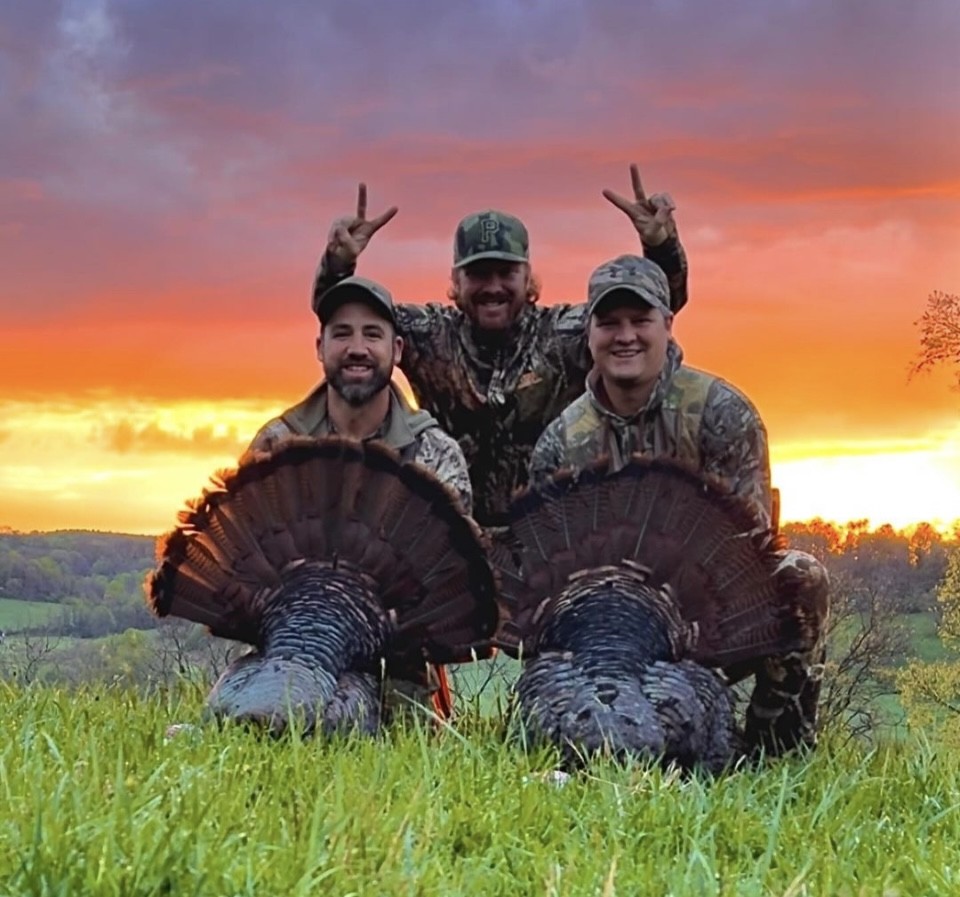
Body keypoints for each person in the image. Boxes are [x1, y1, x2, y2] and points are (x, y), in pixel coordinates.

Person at [528, 254, 831, 757]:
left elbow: (748, 556)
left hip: (705, 620)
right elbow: (549, 580)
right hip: (605, 632)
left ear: (667, 325)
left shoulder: (720, 412)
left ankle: (777, 748)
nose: (625, 335)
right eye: (609, 323)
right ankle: (580, 739)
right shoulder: (561, 441)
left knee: (800, 577)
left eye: (640, 320)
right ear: (589, 333)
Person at [310, 165, 689, 529]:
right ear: (456, 280)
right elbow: (348, 324)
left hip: (553, 538)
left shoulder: (566, 333)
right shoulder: (428, 333)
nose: (493, 286)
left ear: (528, 277)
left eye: (506, 273)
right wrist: (338, 265)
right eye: (478, 274)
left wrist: (661, 248)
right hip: (447, 540)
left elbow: (650, 311)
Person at [247, 275, 473, 719]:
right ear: (320, 347)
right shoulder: (278, 444)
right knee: (252, 723)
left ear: (398, 351)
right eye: (342, 333)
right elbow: (247, 570)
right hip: (297, 646)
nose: (357, 347)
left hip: (398, 657)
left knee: (395, 745)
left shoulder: (434, 452)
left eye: (373, 334)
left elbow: (445, 580)